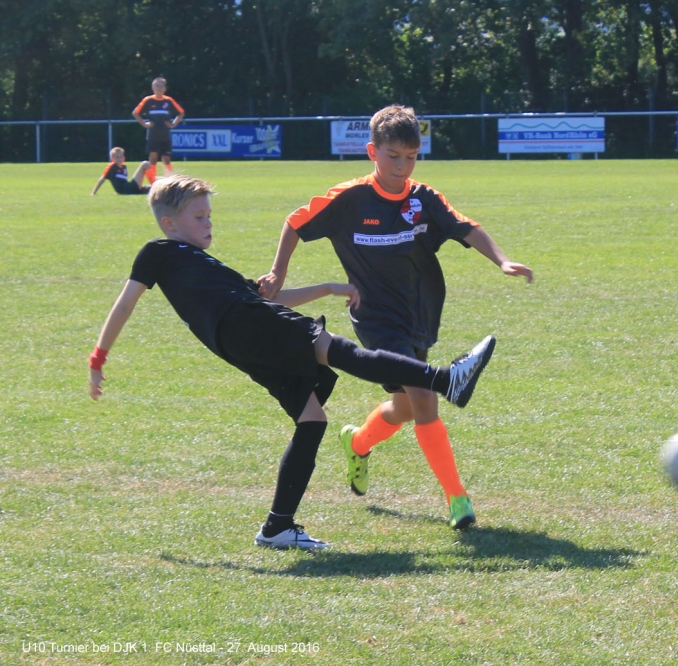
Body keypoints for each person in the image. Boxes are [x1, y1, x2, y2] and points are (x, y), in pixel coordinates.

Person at [88, 175, 497, 550]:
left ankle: (277, 527)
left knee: (312, 420)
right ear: (169, 223)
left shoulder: (206, 265)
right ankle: (445, 380)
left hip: (243, 343)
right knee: (341, 351)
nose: (208, 222)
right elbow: (125, 303)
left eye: (209, 214)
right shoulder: (160, 252)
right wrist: (98, 356)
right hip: (247, 325)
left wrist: (328, 288)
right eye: (199, 217)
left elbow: (269, 297)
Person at [258, 105, 533, 530]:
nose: (402, 166)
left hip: (419, 312)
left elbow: (466, 227)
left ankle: (358, 441)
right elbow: (295, 223)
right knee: (424, 396)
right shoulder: (348, 199)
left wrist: (502, 260)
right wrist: (278, 272)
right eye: (393, 156)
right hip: (375, 319)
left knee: (404, 407)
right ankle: (457, 498)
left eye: (411, 156)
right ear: (373, 151)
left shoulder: (423, 198)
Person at [132, 77, 185, 183]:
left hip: (165, 133)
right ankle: (152, 182)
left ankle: (169, 182)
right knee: (153, 157)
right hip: (153, 133)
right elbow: (135, 113)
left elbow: (181, 112)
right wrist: (144, 124)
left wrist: (173, 124)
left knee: (166, 158)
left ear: (165, 88)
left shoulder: (168, 101)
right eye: (157, 86)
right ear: (153, 88)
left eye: (161, 86)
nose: (159, 88)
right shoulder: (148, 100)